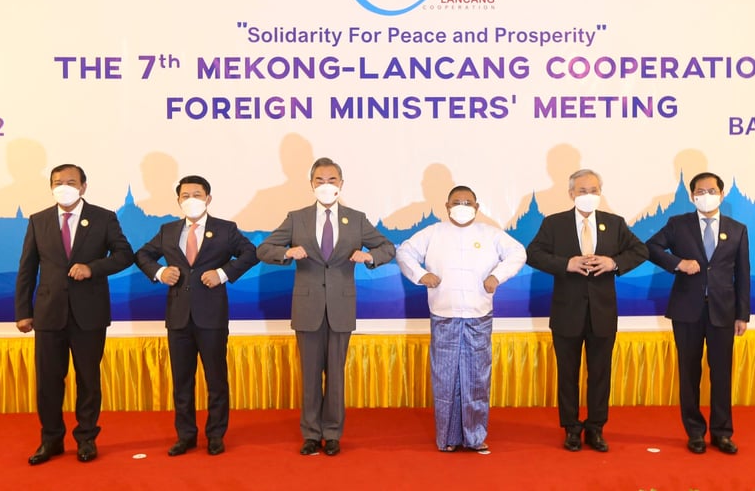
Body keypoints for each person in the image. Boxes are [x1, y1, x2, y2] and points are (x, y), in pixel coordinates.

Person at [256, 157, 395, 457]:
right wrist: (287, 253)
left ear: (341, 184)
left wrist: (370, 257)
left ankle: (332, 433)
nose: (326, 185)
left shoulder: (356, 219)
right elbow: (263, 249)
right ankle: (310, 434)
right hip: (307, 308)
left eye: (331, 180)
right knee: (309, 375)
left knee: (335, 376)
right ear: (311, 184)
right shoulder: (297, 218)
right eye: (320, 180)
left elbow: (387, 247)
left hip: (341, 308)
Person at [14, 164, 134, 465]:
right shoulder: (38, 220)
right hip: (48, 313)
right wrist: (23, 311)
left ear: (83, 186)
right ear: (51, 187)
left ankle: (86, 439)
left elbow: (124, 255)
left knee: (88, 380)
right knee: (48, 382)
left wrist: (93, 268)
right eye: (58, 182)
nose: (64, 187)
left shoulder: (103, 218)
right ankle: (51, 440)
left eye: (70, 182)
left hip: (89, 314)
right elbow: (27, 268)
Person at [395, 185, 526, 453]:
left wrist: (497, 276)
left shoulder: (490, 234)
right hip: (444, 314)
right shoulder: (433, 233)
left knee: (476, 379)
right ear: (447, 206)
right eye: (457, 202)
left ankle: (475, 437)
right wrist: (421, 275)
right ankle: (448, 438)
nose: (462, 206)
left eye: (468, 202)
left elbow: (518, 253)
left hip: (478, 315)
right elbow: (404, 252)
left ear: (477, 207)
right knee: (445, 380)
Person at [135, 175, 258, 456]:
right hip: (178, 316)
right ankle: (186, 435)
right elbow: (142, 255)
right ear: (178, 200)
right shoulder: (167, 230)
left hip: (212, 316)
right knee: (182, 381)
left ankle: (215, 435)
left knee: (216, 380)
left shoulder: (225, 229)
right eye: (185, 195)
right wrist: (159, 272)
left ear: (208, 199)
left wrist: (222, 273)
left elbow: (250, 253)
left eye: (197, 195)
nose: (191, 200)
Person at [525, 168, 648, 453]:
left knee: (600, 374)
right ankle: (571, 428)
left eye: (594, 190)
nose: (589, 195)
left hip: (602, 313)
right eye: (583, 191)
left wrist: (613, 263)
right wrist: (565, 264)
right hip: (566, 312)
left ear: (600, 193)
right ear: (571, 194)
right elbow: (533, 254)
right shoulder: (554, 223)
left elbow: (640, 251)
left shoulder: (614, 223)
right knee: (567, 374)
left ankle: (596, 428)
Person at [645, 172, 750, 455]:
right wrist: (678, 263)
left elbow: (743, 273)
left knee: (722, 374)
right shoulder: (678, 225)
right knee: (689, 373)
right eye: (700, 192)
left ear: (722, 194)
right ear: (692, 197)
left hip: (723, 312)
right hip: (686, 311)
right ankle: (694, 432)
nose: (706, 196)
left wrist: (742, 314)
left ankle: (722, 433)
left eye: (712, 190)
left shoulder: (738, 229)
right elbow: (650, 247)